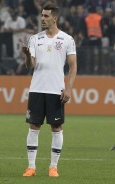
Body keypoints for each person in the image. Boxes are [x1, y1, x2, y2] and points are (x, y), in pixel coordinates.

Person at [21, 2, 77, 177]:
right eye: (41, 15)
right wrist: (27, 57)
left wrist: (68, 88)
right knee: (34, 125)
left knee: (56, 126)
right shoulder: (35, 38)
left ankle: (53, 167)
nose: (42, 19)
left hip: (56, 89)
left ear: (55, 17)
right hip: (37, 88)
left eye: (46, 16)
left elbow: (73, 66)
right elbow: (30, 65)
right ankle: (31, 167)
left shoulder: (67, 39)